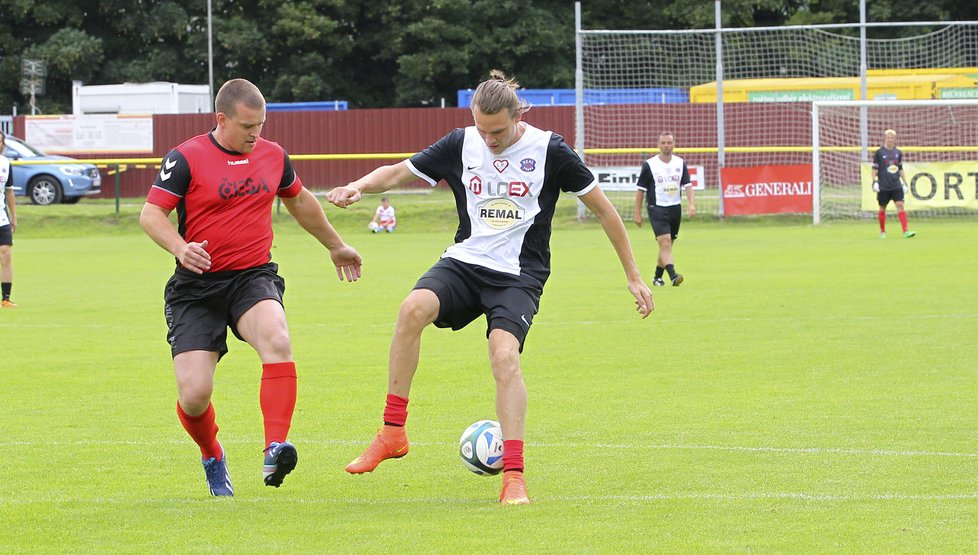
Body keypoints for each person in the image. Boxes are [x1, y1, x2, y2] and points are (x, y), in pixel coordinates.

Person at [326, 70, 654, 505]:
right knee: (411, 310)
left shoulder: (550, 149)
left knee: (503, 355)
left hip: (519, 274)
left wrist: (632, 274)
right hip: (466, 261)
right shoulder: (463, 142)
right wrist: (358, 186)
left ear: (518, 115)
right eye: (482, 129)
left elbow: (606, 212)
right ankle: (392, 433)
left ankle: (513, 476)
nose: (490, 139)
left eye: (497, 131)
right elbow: (397, 172)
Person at [139, 78, 362, 497]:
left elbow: (300, 202)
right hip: (196, 287)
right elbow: (151, 215)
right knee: (194, 395)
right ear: (221, 119)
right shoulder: (186, 157)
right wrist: (180, 247)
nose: (255, 133)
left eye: (260, 124)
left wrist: (336, 246)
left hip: (251, 276)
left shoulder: (274, 155)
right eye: (247, 126)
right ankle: (212, 453)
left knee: (277, 338)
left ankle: (274, 447)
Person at [633, 132, 695, 286]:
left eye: (669, 142)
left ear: (674, 145)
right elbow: (640, 190)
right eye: (663, 143)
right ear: (658, 145)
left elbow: (688, 186)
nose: (666, 145)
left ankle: (657, 277)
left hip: (675, 208)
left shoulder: (680, 163)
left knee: (667, 246)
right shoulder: (650, 165)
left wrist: (691, 204)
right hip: (657, 208)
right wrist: (637, 213)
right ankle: (674, 276)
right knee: (665, 243)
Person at [872, 129, 915, 239]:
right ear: (885, 138)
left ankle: (906, 231)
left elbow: (900, 168)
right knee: (882, 208)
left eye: (892, 137)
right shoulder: (879, 153)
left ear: (894, 139)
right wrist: (874, 182)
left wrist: (904, 183)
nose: (890, 139)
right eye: (888, 137)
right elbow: (874, 168)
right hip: (883, 185)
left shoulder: (898, 153)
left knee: (900, 205)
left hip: (896, 185)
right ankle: (882, 231)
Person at [0, 131, 16, 308]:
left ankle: (5, 299)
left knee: (6, 255)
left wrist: (14, 217)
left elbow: (9, 191)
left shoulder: (5, 164)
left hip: (1, 218)